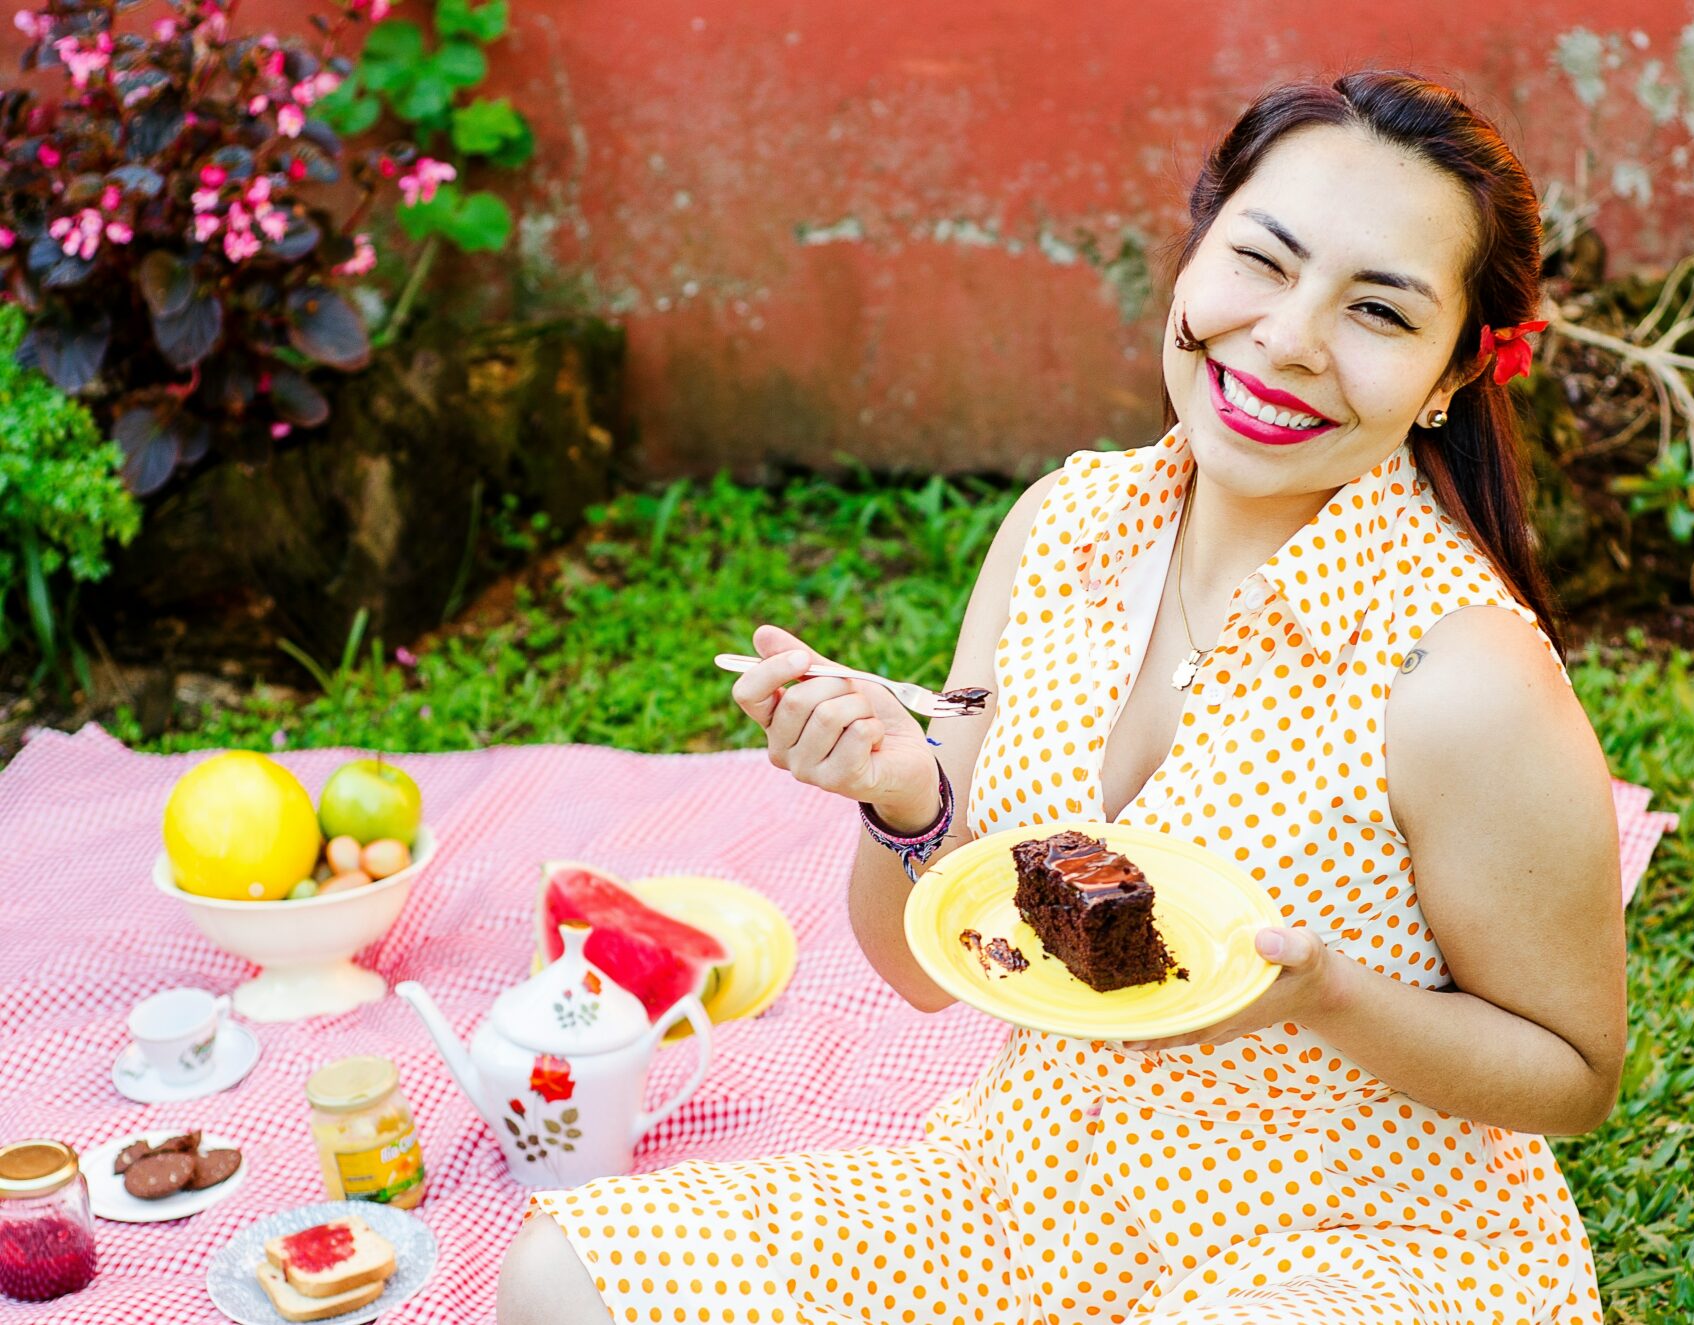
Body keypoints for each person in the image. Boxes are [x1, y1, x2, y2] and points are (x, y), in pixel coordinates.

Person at [498, 70, 1626, 1325]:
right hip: (1025, 1191)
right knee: (567, 1281)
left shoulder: (1461, 672)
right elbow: (930, 974)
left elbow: (1574, 1073)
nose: (1290, 335)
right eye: (1262, 260)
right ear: (1195, 259)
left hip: (1357, 1236)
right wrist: (904, 798)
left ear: (1449, 373)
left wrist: (1326, 995)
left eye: (1374, 307)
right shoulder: (1057, 529)